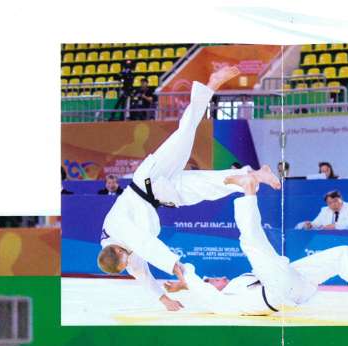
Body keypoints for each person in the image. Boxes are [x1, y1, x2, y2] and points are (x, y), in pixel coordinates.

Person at [94, 65, 275, 312]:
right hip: (162, 194)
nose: (129, 262)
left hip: (149, 179)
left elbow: (146, 244)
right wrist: (164, 299)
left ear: (116, 249)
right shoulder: (122, 256)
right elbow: (142, 275)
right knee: (205, 187)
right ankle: (252, 175)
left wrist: (174, 266)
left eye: (124, 260)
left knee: (185, 133)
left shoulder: (116, 230)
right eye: (125, 264)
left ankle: (212, 84)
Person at [174, 192, 348, 318]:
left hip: (293, 284)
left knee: (344, 252)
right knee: (250, 243)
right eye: (214, 280)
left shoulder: (238, 283)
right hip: (277, 292)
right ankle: (248, 192)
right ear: (210, 288)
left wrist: (185, 285)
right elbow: (201, 289)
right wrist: (186, 277)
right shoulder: (223, 302)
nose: (220, 277)